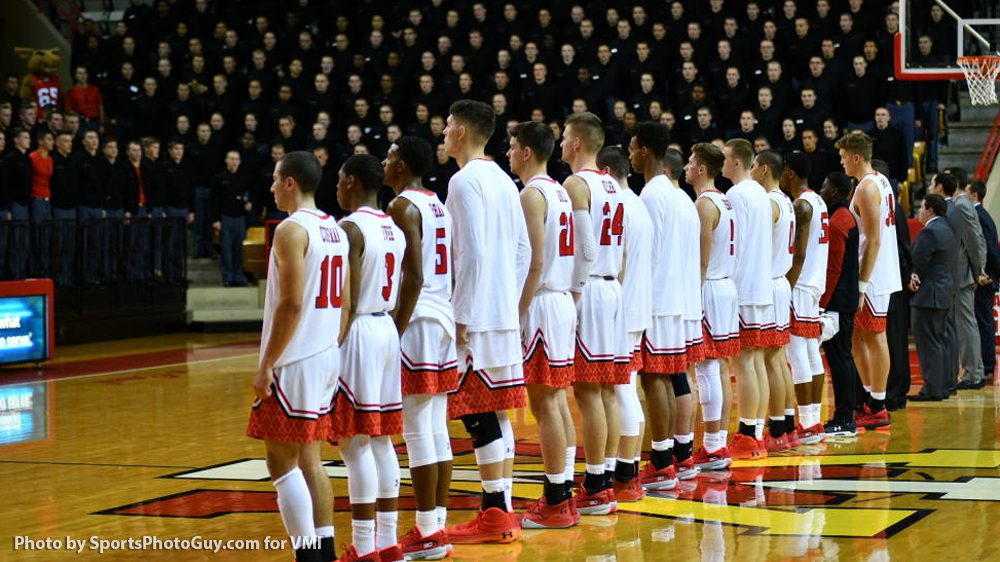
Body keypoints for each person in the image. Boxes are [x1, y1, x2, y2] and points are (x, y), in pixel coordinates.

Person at [245, 151, 347, 562]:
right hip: (324, 354)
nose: (270, 187)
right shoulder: (334, 228)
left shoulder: (292, 230)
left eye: (274, 179)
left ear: (290, 183)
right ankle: (324, 550)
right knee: (310, 457)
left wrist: (266, 363)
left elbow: (290, 304)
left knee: (281, 463)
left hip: (296, 358)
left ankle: (307, 554)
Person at [442, 100, 527, 544]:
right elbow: (522, 252)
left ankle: (494, 510)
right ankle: (504, 507)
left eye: (447, 127)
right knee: (496, 410)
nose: (443, 133)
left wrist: (462, 312)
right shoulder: (504, 180)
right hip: (501, 313)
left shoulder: (462, 181)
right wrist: (502, 297)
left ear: (462, 132)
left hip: (475, 317)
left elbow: (471, 253)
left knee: (477, 413)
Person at [330, 154, 406, 562]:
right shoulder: (393, 227)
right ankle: (388, 542)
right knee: (381, 440)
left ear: (354, 182)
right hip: (386, 330)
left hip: (358, 329)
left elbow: (348, 299)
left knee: (354, 443)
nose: (337, 187)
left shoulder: (350, 228)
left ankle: (363, 547)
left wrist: (331, 346)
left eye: (340, 179)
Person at [383, 136, 457, 559]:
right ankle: (436, 526)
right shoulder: (437, 203)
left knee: (416, 428)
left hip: (418, 320)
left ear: (402, 164)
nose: (385, 161)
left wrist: (396, 325)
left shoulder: (401, 206)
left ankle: (427, 532)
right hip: (441, 315)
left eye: (390, 156)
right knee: (435, 426)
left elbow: (411, 276)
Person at [508, 122, 581, 528]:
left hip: (541, 301)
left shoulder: (533, 194)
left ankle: (555, 499)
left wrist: (517, 311)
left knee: (545, 402)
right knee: (556, 400)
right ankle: (563, 490)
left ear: (528, 152)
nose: (508, 153)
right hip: (561, 299)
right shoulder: (559, 190)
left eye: (513, 147)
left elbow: (534, 262)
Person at [560, 111, 630, 512]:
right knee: (606, 392)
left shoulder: (576, 182)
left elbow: (585, 249)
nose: (563, 142)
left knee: (589, 393)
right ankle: (601, 478)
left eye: (567, 136)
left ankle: (597, 483)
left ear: (579, 143)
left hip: (590, 291)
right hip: (611, 287)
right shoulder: (612, 183)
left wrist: (573, 292)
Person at [632, 121, 701, 487]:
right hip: (682, 299)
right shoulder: (682, 198)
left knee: (655, 378)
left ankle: (660, 459)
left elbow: (648, 258)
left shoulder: (651, 196)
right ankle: (681, 452)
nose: (629, 154)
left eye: (632, 147)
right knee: (677, 377)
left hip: (658, 301)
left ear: (645, 151)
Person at [596, 145, 650, 500]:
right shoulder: (637, 203)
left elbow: (622, 262)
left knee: (622, 390)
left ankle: (626, 471)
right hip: (637, 304)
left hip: (624, 306)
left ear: (604, 170)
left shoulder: (620, 203)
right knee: (626, 389)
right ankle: (628, 467)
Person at [837, 132, 901, 430]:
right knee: (862, 337)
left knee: (875, 336)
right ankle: (870, 398)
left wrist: (861, 285)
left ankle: (878, 404)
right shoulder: (881, 181)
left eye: (843, 156)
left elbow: (873, 240)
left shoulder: (866, 188)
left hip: (873, 274)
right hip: (877, 270)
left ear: (856, 157)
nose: (841, 161)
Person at [686, 142, 738, 470]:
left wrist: (691, 291)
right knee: (717, 368)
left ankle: (714, 445)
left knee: (706, 368)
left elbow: (701, 260)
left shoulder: (705, 204)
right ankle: (716, 441)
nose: (686, 167)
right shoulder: (725, 200)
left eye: (691, 162)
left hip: (709, 286)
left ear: (702, 168)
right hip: (725, 286)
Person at [722, 138, 774, 459]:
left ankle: (746, 434)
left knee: (744, 365)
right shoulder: (759, 192)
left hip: (743, 288)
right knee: (756, 363)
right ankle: (754, 431)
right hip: (761, 285)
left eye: (726, 158)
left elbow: (733, 246)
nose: (723, 164)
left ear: (737, 162)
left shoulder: (736, 194)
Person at [781, 152, 836, 437]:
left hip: (800, 283)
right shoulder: (818, 200)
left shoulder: (801, 205)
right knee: (812, 351)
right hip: (815, 283)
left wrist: (786, 287)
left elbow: (799, 253)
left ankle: (807, 421)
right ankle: (812, 419)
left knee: (797, 352)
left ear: (789, 173)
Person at [750, 150, 797, 452]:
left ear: (764, 169)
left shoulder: (769, 203)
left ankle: (777, 426)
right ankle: (786, 424)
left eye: (754, 166)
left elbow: (758, 246)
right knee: (778, 359)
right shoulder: (786, 202)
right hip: (781, 282)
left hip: (769, 284)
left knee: (769, 360)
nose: (752, 171)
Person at [931, 173, 988, 391]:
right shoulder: (958, 203)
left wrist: (979, 270)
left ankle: (974, 374)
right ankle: (970, 371)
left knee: (966, 325)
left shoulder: (962, 205)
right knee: (963, 325)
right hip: (961, 273)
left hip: (964, 274)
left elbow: (974, 239)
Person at [820, 172, 862, 433]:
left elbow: (833, 269)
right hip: (845, 298)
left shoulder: (837, 222)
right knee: (843, 358)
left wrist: (822, 303)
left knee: (839, 360)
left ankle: (845, 417)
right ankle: (850, 410)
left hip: (837, 301)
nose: (821, 189)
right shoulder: (845, 218)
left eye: (825, 185)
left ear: (834, 191)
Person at [907, 194, 957, 401]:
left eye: (922, 207)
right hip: (944, 293)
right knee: (941, 341)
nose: (919, 211)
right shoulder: (947, 229)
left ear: (931, 210)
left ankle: (933, 389)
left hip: (928, 296)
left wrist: (911, 275)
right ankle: (944, 385)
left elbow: (917, 261)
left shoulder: (929, 232)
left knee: (929, 344)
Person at [966, 181, 1000, 384]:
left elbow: (989, 250)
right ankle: (985, 363)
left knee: (983, 321)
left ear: (975, 196)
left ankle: (987, 363)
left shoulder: (979, 216)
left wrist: (989, 274)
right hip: (985, 276)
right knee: (982, 320)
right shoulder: (982, 215)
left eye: (967, 193)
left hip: (984, 278)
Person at [212, 150, 253, 286]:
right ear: (226, 160)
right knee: (226, 249)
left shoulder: (245, 178)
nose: (234, 162)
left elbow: (250, 197)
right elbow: (214, 200)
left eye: (236, 159)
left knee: (239, 250)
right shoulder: (219, 178)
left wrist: (249, 204)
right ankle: (228, 277)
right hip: (225, 218)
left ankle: (238, 276)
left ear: (240, 161)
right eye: (231, 159)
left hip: (240, 218)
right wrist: (215, 219)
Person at [50, 132, 78, 286]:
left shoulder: (73, 162)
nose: (69, 144)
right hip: (59, 208)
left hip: (72, 208)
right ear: (57, 143)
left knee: (69, 246)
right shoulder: (53, 160)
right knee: (58, 245)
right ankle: (57, 278)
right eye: (66, 141)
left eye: (70, 141)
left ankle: (67, 278)